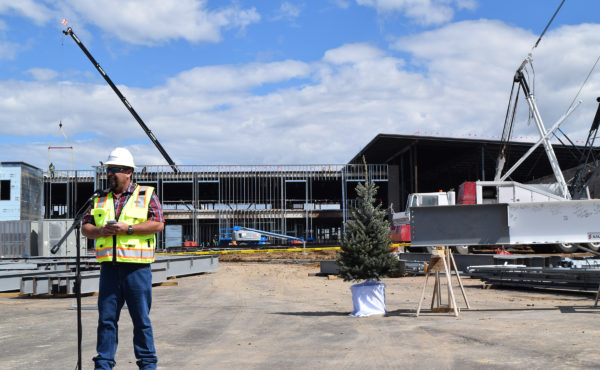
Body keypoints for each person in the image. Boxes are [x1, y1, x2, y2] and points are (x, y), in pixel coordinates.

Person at [82, 147, 164, 370]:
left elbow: (157, 223)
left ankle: (147, 365)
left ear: (129, 172)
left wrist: (128, 229)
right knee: (106, 320)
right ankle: (104, 364)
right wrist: (99, 231)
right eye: (108, 169)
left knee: (141, 321)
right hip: (109, 269)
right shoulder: (99, 198)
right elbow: (85, 227)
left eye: (115, 169)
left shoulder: (146, 195)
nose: (110, 174)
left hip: (137, 269)